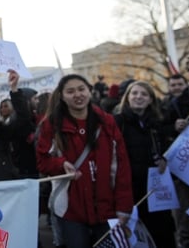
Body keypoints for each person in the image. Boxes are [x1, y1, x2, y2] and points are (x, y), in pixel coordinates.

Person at [35, 74, 133, 247]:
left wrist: (124, 206)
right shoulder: (51, 125)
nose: (77, 95)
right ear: (63, 96)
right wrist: (60, 164)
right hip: (70, 210)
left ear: (89, 91)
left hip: (107, 208)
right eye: (70, 91)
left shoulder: (107, 122)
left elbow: (121, 167)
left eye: (81, 89)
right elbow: (43, 161)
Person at [113, 80, 176, 247]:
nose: (138, 97)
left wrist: (163, 160)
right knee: (136, 236)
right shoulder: (117, 122)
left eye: (144, 94)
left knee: (163, 233)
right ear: (127, 98)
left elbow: (163, 149)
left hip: (155, 188)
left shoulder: (156, 124)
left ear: (150, 100)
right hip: (130, 188)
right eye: (134, 93)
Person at [164, 54, 189, 248]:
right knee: (187, 215)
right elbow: (161, 128)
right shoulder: (177, 103)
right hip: (188, 170)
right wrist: (173, 126)